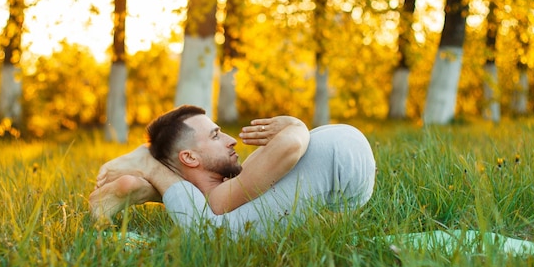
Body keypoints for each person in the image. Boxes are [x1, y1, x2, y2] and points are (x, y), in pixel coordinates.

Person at [89, 105, 376, 237]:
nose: (231, 140)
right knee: (213, 233)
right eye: (215, 136)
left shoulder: (238, 181)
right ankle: (150, 170)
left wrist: (295, 126)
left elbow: (290, 147)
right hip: (340, 176)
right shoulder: (221, 197)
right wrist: (296, 126)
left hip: (341, 166)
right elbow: (289, 145)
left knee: (212, 226)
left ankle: (153, 182)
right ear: (188, 156)